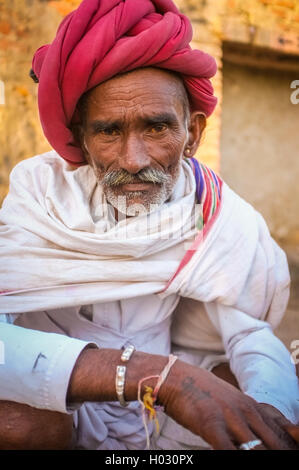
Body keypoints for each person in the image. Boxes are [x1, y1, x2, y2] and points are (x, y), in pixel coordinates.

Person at [0, 0, 298, 451]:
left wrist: (270, 406)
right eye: (108, 131)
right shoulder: (39, 200)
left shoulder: (213, 210)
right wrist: (151, 376)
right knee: (21, 426)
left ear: (193, 134)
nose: (133, 160)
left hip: (164, 425)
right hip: (64, 413)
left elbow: (248, 332)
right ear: (81, 138)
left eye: (156, 128)